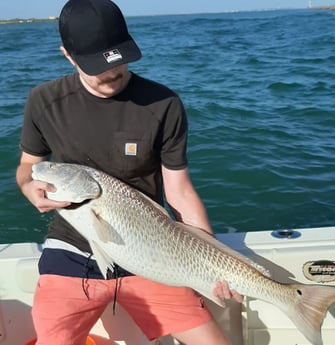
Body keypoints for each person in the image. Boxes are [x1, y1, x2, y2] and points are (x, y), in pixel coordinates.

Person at [16, 0, 243, 344]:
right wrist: (28, 186)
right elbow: (29, 166)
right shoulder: (43, 101)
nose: (112, 72)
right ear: (68, 55)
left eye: (120, 60)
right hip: (71, 245)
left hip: (151, 248)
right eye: (98, 66)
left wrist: (214, 264)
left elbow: (179, 190)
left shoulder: (163, 104)